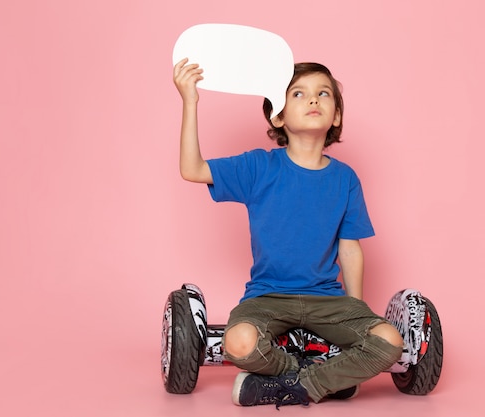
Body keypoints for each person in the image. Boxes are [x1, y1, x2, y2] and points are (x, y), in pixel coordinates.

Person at [173, 58, 404, 408]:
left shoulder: (345, 179)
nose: (313, 100)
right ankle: (320, 379)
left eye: (323, 93)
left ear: (336, 116)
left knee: (389, 340)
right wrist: (190, 101)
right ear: (277, 117)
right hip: (267, 297)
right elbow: (193, 169)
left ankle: (297, 387)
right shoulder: (258, 167)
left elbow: (350, 248)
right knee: (238, 343)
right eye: (298, 94)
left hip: (328, 300)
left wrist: (357, 309)